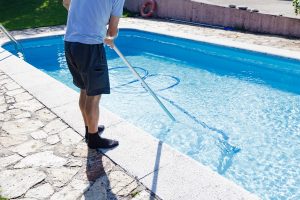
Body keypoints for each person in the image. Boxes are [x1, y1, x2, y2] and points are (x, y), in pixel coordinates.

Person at [63, 0, 125, 149]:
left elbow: (66, 3)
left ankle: (89, 129)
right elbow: (112, 31)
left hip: (70, 42)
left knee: (84, 89)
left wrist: (84, 22)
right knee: (94, 96)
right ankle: (94, 139)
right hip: (90, 47)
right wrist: (110, 37)